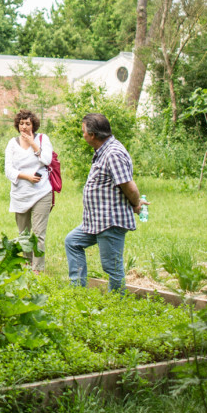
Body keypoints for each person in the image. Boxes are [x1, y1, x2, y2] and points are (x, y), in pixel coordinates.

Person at [64, 113, 146, 292]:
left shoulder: (113, 154)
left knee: (112, 267)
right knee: (73, 242)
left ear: (92, 135)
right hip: (96, 221)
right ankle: (77, 289)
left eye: (83, 131)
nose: (83, 134)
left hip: (110, 221)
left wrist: (136, 204)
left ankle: (116, 303)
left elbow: (129, 187)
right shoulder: (104, 151)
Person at [4, 109, 56, 273]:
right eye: (21, 123)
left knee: (39, 233)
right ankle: (27, 264)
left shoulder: (42, 139)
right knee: (24, 234)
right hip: (21, 194)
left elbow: (47, 160)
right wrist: (26, 176)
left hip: (41, 192)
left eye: (28, 123)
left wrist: (34, 144)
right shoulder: (12, 143)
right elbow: (8, 170)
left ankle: (38, 269)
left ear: (33, 125)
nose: (24, 127)